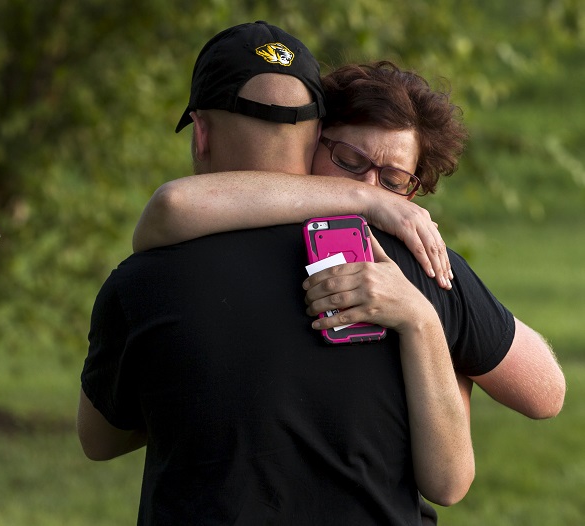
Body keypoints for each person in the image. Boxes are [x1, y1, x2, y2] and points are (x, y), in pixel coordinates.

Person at [78, 22, 473, 525]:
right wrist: (444, 350)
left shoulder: (139, 283)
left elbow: (99, 440)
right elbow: (542, 394)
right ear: (315, 138)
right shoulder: (409, 266)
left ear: (200, 134)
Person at [132, 61, 566, 423]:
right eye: (349, 161)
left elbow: (545, 393)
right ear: (312, 141)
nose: (371, 189)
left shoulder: (422, 267)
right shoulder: (215, 227)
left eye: (393, 181)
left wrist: (439, 347)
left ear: (412, 195)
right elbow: (175, 203)